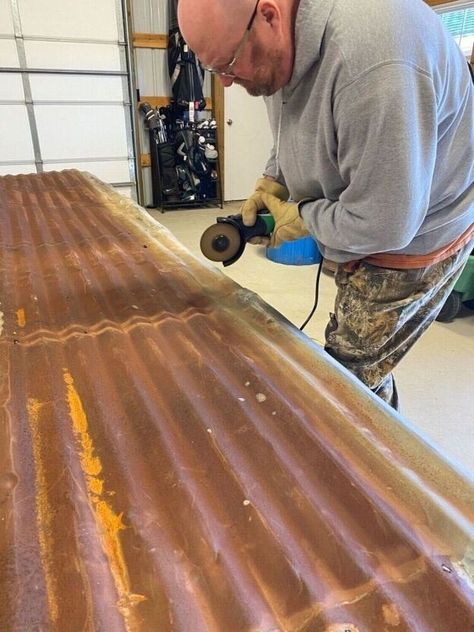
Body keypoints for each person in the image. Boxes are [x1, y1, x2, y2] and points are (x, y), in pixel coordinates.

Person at [178, 0, 474, 410]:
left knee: (348, 378)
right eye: (216, 70)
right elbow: (293, 115)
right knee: (361, 371)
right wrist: (274, 176)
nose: (226, 82)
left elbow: (386, 221)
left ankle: (373, 464)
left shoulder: (375, 64)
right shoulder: (276, 42)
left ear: (268, 14)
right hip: (381, 203)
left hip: (418, 232)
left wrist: (304, 219)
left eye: (228, 63)